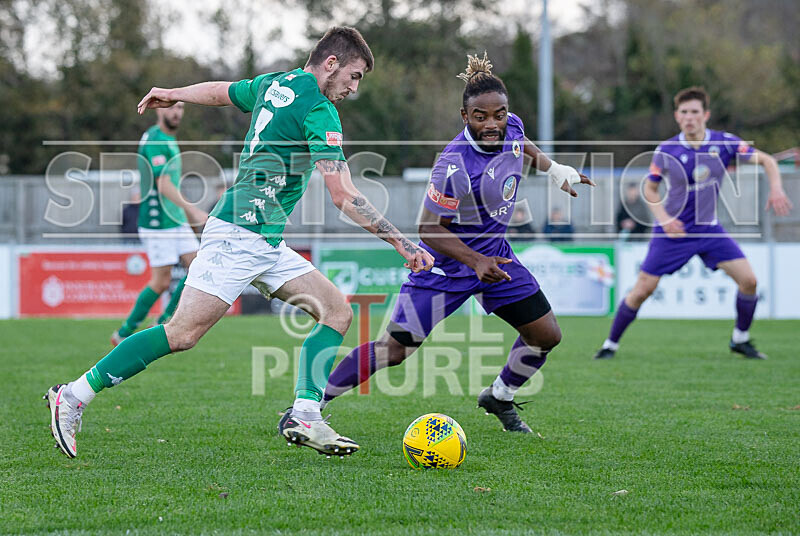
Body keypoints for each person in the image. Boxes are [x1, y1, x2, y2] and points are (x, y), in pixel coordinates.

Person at [45, 27, 434, 459]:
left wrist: (173, 92)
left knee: (337, 311)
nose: (354, 88)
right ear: (330, 63)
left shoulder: (275, 84)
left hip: (262, 239)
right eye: (354, 75)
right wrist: (402, 243)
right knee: (181, 333)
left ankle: (306, 413)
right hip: (238, 236)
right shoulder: (319, 109)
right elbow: (343, 195)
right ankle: (75, 394)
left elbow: (219, 91)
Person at [317, 52, 592, 433]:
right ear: (465, 117)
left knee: (545, 335)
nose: (493, 123)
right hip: (444, 270)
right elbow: (428, 230)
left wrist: (555, 170)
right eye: (481, 117)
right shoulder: (454, 166)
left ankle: (499, 396)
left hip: (496, 261)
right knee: (394, 351)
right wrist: (475, 261)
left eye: (499, 114)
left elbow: (521, 141)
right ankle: (311, 403)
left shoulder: (510, 125)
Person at [593, 86, 792, 360]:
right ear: (677, 116)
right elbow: (650, 190)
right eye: (684, 112)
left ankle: (740, 340)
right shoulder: (667, 149)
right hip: (672, 232)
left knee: (749, 282)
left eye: (695, 112)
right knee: (642, 291)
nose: (689, 117)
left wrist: (777, 189)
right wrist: (665, 220)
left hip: (709, 229)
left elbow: (768, 161)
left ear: (706, 115)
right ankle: (609, 345)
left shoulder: (724, 142)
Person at [111, 103, 207, 345]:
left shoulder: (167, 139)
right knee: (161, 281)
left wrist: (185, 216)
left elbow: (171, 185)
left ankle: (165, 321)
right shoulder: (155, 139)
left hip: (174, 219)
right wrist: (193, 210)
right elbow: (163, 185)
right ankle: (124, 332)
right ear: (159, 110)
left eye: (181, 107)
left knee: (198, 267)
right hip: (157, 222)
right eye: (171, 107)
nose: (176, 112)